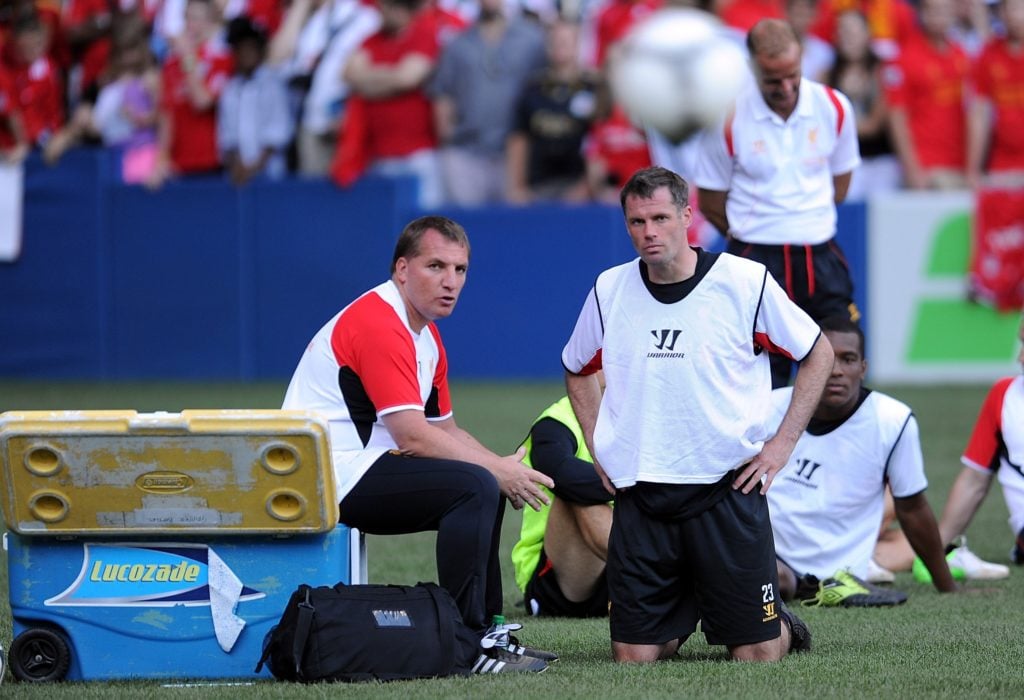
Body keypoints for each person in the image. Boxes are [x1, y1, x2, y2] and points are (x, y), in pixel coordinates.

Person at [563, 165, 834, 664]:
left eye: (661, 218)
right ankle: (687, 611)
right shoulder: (609, 289)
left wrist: (782, 445)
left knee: (756, 655)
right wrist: (600, 442)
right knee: (633, 658)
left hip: (727, 491)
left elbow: (818, 353)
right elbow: (576, 368)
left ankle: (783, 628)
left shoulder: (744, 282)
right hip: (643, 495)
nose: (649, 232)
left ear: (687, 215)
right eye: (637, 222)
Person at [281, 215, 556, 674]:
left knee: (482, 478)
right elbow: (412, 434)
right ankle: (466, 647)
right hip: (325, 475)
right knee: (473, 485)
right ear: (402, 269)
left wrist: (500, 464)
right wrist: (492, 471)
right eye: (436, 267)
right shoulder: (379, 321)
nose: (450, 282)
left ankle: (488, 634)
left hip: (362, 466)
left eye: (460, 270)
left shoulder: (426, 334)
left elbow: (444, 430)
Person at [694, 18, 861, 389]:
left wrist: (804, 220)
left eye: (793, 76)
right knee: (762, 377)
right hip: (756, 255)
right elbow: (709, 201)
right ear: (752, 68)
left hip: (821, 253)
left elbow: (841, 183)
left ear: (801, 59)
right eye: (773, 80)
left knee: (841, 361)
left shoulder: (834, 107)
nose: (786, 88)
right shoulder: (726, 117)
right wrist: (755, 235)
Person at [766, 316, 958, 606]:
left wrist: (948, 587)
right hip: (763, 551)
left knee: (763, 577)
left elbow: (913, 509)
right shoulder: (767, 406)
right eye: (827, 359)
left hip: (836, 574)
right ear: (806, 363)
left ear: (863, 368)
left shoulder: (892, 421)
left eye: (848, 360)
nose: (837, 371)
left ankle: (814, 584)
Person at [874, 316, 1024, 576]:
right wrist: (938, 548)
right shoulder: (1004, 395)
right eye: (1022, 344)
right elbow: (973, 481)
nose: (1020, 358)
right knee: (888, 495)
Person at [428, 0, 546, 206]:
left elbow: (545, 89)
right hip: (466, 153)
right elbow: (443, 95)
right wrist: (447, 142)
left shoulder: (531, 39)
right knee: (465, 229)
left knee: (512, 229)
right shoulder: (458, 43)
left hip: (514, 156)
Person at [511, 391, 613, 618]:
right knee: (576, 491)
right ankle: (657, 573)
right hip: (561, 580)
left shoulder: (651, 411)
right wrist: (645, 486)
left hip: (618, 564)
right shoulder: (559, 419)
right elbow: (560, 473)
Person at [504, 19, 597, 205]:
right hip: (538, 187)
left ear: (577, 45)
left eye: (565, 41)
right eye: (554, 41)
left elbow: (600, 141)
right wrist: (517, 186)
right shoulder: (532, 89)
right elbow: (519, 139)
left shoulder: (593, 88)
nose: (559, 47)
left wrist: (588, 185)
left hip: (578, 188)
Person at [883, 0, 971, 190]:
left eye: (945, 10)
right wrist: (912, 170)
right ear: (922, 13)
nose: (940, 17)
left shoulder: (962, 55)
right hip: (927, 170)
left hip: (961, 168)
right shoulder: (903, 58)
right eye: (934, 10)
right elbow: (897, 117)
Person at [149, 0, 233, 189]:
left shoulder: (222, 60)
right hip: (177, 168)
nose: (189, 25)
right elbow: (166, 115)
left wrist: (188, 59)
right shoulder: (170, 65)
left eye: (195, 18)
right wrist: (161, 160)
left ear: (210, 23)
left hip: (211, 163)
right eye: (186, 18)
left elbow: (202, 101)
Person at [218, 16, 293, 185]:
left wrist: (255, 167)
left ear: (260, 51)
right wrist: (238, 165)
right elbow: (227, 135)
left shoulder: (273, 85)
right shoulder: (230, 89)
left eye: (251, 48)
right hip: (237, 175)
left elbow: (278, 133)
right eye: (241, 49)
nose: (246, 54)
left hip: (271, 174)